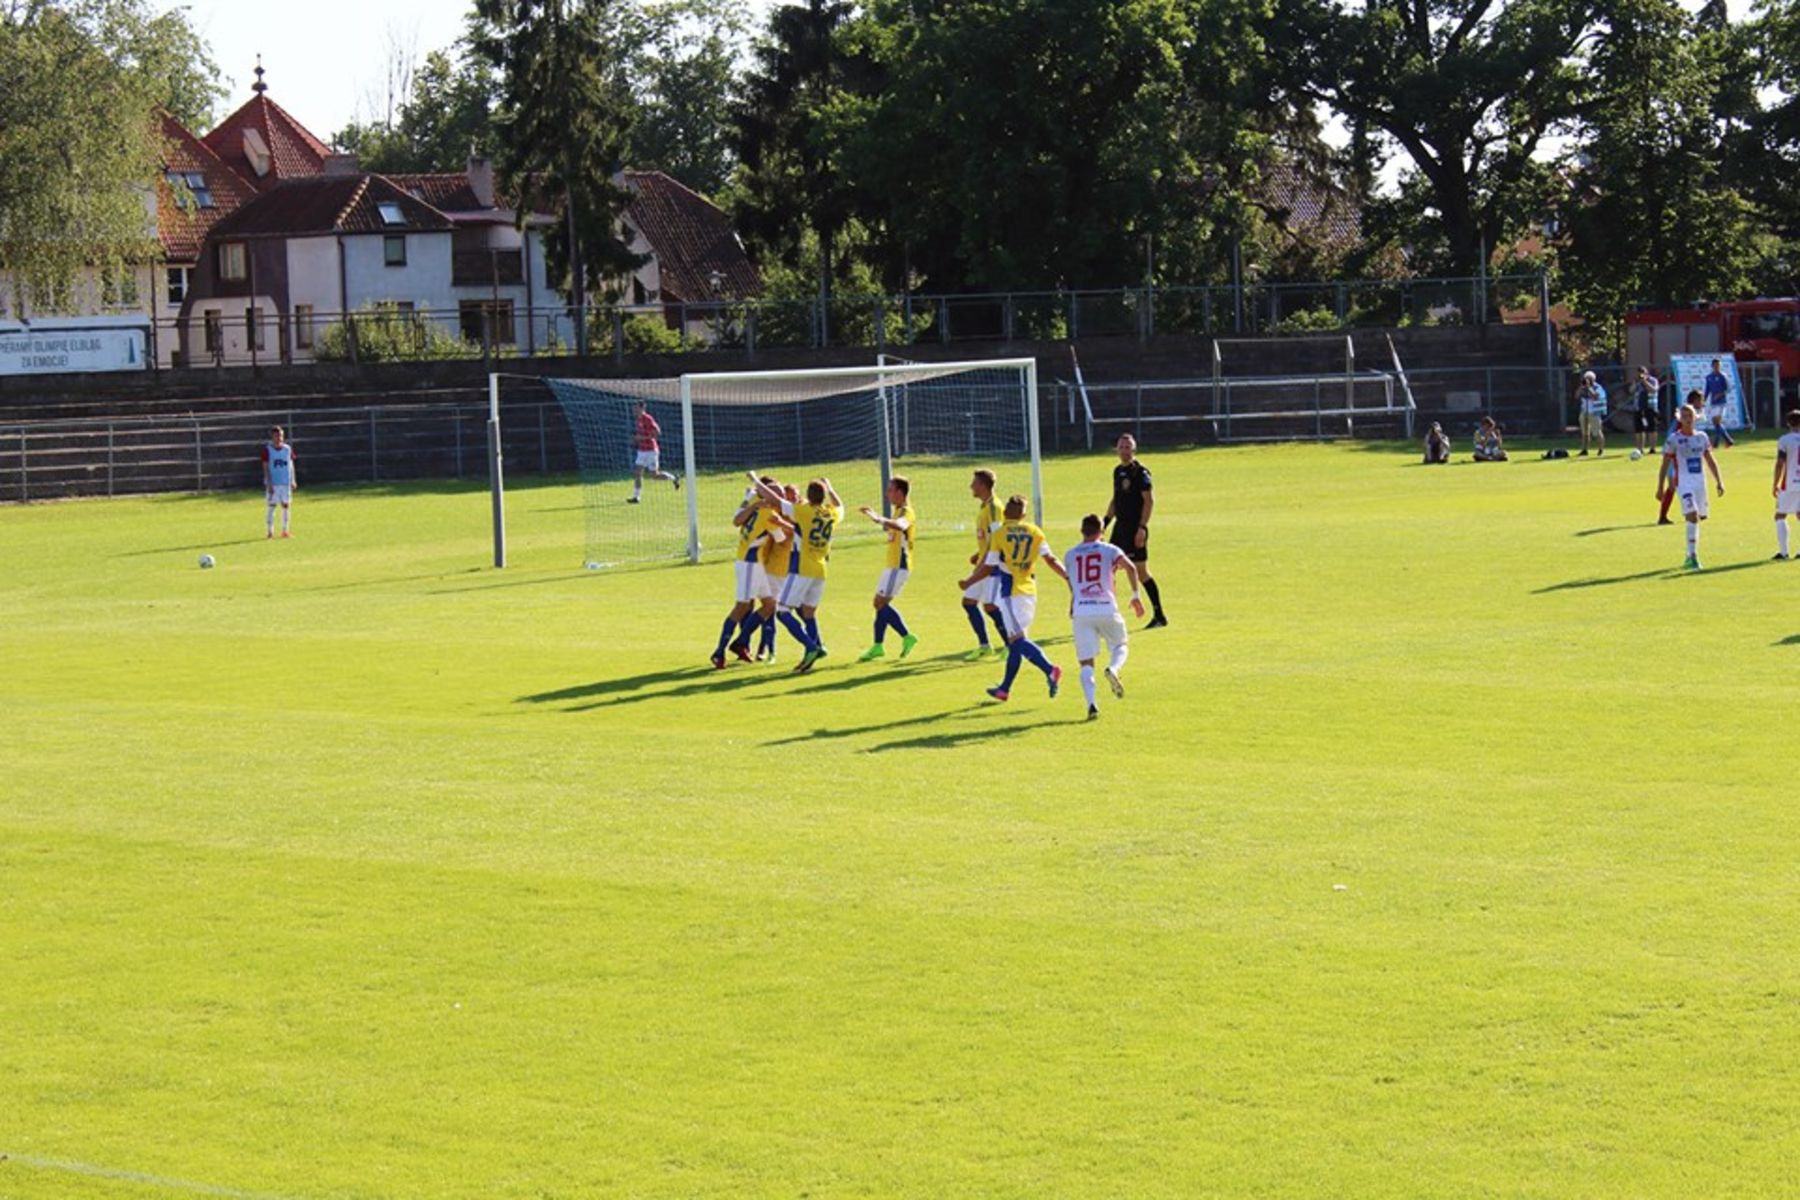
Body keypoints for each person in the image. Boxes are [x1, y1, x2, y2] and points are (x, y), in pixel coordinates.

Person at [958, 494, 1070, 702]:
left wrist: (969, 581)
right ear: (1024, 514)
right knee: (1015, 643)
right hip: (1029, 590)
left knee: (1017, 642)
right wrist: (1067, 577)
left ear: (1006, 512)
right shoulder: (1035, 532)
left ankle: (1050, 669)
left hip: (1011, 593)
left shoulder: (999, 534)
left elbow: (989, 566)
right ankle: (1005, 689)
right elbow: (1051, 559)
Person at [751, 472, 842, 672]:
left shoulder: (803, 511)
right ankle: (816, 647)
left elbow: (775, 499)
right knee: (808, 613)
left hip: (801, 569)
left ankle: (811, 647)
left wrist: (756, 481)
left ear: (808, 496)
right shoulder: (831, 513)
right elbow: (840, 506)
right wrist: (831, 487)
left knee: (782, 611)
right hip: (821, 570)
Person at [1063, 513, 1146, 720]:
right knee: (1120, 645)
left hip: (1082, 611)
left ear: (1082, 531)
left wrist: (1073, 603)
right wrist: (1135, 596)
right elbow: (1131, 567)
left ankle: (1092, 704)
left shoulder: (1070, 555)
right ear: (1102, 531)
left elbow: (1072, 583)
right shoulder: (1110, 550)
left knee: (1086, 663)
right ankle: (1114, 669)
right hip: (1106, 607)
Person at [712, 481, 792, 668]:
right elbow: (781, 539)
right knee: (741, 607)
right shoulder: (769, 515)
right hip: (749, 564)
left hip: (754, 563)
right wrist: (793, 526)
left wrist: (750, 499)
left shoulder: (756, 506)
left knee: (770, 604)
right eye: (777, 496)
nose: (780, 499)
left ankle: (740, 642)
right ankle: (719, 651)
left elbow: (736, 520)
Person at [1103, 434, 1166, 628]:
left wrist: (1143, 528)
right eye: (1121, 447)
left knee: (1141, 572)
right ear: (1117, 450)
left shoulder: (1141, 473)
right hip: (1119, 528)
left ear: (1134, 450)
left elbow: (1149, 500)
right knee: (1107, 569)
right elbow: (1116, 500)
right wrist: (1104, 523)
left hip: (1134, 528)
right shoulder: (1117, 472)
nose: (1124, 451)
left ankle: (1159, 615)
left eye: (1128, 447)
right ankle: (1106, 614)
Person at [857, 476, 920, 661]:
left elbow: (900, 526)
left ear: (900, 492)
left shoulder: (906, 512)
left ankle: (907, 636)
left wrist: (877, 518)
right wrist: (876, 516)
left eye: (890, 490)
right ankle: (878, 646)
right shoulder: (897, 511)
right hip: (892, 566)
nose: (887, 494)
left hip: (899, 565)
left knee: (879, 603)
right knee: (880, 604)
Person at [1661, 403, 1724, 570]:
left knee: (1699, 518)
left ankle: (1690, 554)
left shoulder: (1702, 437)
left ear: (1696, 417)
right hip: (1683, 483)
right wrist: (1660, 486)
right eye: (1684, 417)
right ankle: (1692, 556)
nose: (1687, 419)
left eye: (1690, 416)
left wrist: (1719, 481)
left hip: (1700, 483)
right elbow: (1665, 463)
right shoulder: (1674, 439)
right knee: (1692, 515)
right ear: (1679, 419)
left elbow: (1710, 460)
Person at [960, 468, 1008, 658]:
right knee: (969, 602)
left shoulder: (995, 507)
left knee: (990, 606)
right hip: (984, 560)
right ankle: (985, 646)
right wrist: (977, 554)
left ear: (982, 485)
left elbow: (997, 538)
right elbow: (988, 537)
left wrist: (983, 563)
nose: (971, 486)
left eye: (974, 483)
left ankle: (1010, 644)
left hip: (992, 565)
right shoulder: (985, 507)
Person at [1656, 389, 1706, 525]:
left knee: (1675, 485)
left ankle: (1693, 512)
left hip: (1682, 454)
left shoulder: (1690, 414)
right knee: (1673, 484)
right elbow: (1675, 436)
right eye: (1701, 400)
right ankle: (1664, 516)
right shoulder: (1684, 416)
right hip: (1676, 454)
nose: (1703, 403)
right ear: (1695, 401)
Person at [629, 401, 680, 502]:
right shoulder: (638, 419)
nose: (633, 409)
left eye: (635, 407)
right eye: (633, 407)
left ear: (642, 408)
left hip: (651, 450)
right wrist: (636, 439)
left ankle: (673, 478)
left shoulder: (648, 418)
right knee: (638, 473)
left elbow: (657, 432)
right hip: (642, 451)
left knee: (655, 475)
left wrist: (641, 438)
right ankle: (636, 497)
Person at [1772, 410, 1800, 559]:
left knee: (1780, 515)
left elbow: (1780, 463)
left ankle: (1783, 552)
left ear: (1788, 423)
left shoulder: (1784, 440)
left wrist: (1775, 483)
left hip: (1789, 483)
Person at [262, 425, 295, 538]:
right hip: (274, 483)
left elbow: (290, 465)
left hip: (285, 483)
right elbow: (266, 467)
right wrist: (268, 483)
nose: (279, 438)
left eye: (281, 435)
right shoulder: (268, 450)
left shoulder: (287, 449)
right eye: (277, 436)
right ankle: (270, 531)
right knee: (271, 506)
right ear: (272, 437)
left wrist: (293, 480)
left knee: (286, 506)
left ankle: (285, 531)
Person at [1703, 357, 1736, 448]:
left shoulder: (1723, 376)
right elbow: (1707, 390)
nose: (1717, 367)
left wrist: (1720, 394)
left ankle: (1719, 442)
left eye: (1719, 365)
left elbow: (1728, 388)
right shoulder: (1709, 377)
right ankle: (1726, 441)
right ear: (1712, 366)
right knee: (1716, 423)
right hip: (1713, 403)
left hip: (1721, 402)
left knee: (1716, 421)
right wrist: (1703, 400)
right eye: (1716, 365)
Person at [1576, 370, 1607, 456]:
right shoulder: (1583, 387)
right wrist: (1581, 387)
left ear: (1593, 379)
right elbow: (1576, 396)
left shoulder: (1598, 387)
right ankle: (1584, 449)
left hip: (1594, 412)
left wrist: (1589, 388)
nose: (1587, 380)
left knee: (1597, 432)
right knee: (1585, 432)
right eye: (1586, 378)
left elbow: (1596, 397)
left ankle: (1601, 449)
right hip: (1584, 411)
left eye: (1589, 378)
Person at [1632, 366, 1661, 455]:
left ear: (1646, 373)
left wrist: (1644, 382)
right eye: (1639, 373)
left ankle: (1652, 448)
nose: (1640, 374)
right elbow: (1631, 390)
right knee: (1639, 429)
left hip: (1650, 407)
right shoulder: (1637, 382)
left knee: (1652, 428)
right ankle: (1639, 448)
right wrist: (1635, 383)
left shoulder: (1653, 380)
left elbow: (1654, 390)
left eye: (1642, 372)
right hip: (1638, 408)